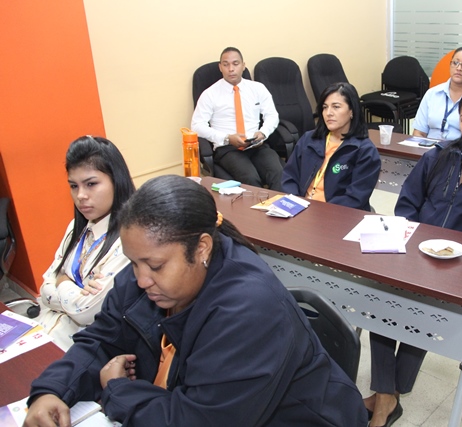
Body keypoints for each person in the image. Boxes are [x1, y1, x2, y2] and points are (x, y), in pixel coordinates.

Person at [25, 175, 368, 427]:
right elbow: (101, 338)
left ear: (201, 248)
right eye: (133, 262)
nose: (140, 279)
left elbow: (198, 420)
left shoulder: (249, 310)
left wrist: (116, 390)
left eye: (155, 266)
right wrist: (52, 391)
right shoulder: (149, 270)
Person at [366, 86, 462, 427]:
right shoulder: (438, 156)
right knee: (380, 297)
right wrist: (415, 240)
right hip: (416, 252)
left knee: (421, 308)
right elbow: (407, 202)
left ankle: (388, 395)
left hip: (461, 267)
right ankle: (386, 394)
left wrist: (456, 252)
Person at [35, 136, 135, 351]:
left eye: (91, 184)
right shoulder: (76, 227)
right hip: (43, 333)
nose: (80, 195)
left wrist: (62, 280)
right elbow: (43, 290)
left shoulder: (130, 238)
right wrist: (75, 291)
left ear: (116, 181)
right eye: (74, 186)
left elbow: (86, 312)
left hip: (82, 350)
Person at [191, 47, 283, 190]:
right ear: (220, 67)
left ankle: (281, 204)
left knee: (278, 174)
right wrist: (227, 138)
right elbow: (197, 125)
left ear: (243, 65)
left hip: (256, 145)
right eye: (226, 64)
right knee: (250, 179)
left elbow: (272, 115)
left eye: (235, 64)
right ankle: (257, 206)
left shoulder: (258, 88)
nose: (231, 69)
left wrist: (263, 133)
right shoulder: (210, 94)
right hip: (228, 149)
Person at [281, 82, 381, 211]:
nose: (328, 113)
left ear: (352, 111)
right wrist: (295, 203)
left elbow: (355, 198)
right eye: (325, 107)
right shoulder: (309, 139)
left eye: (336, 107)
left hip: (336, 214)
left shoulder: (365, 151)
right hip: (300, 209)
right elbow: (289, 176)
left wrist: (319, 211)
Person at [412, 46, 462, 141]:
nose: (459, 68)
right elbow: (419, 132)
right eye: (455, 63)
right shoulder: (432, 94)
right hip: (430, 148)